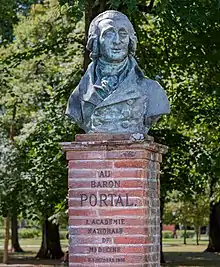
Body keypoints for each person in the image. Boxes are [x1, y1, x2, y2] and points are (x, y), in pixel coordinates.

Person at [66, 10, 170, 134]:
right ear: (96, 42)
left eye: (123, 34)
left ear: (130, 41)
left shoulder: (152, 90)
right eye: (109, 34)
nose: (117, 41)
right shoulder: (79, 94)